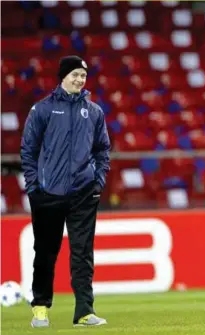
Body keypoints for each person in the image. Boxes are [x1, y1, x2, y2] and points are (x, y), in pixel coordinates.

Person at [21, 55, 111, 327]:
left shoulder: (94, 112)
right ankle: (40, 308)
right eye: (75, 74)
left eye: (83, 76)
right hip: (48, 194)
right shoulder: (43, 110)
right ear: (62, 76)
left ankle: (84, 311)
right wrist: (34, 187)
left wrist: (98, 182)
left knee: (83, 254)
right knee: (46, 253)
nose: (80, 79)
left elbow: (102, 150)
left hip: (84, 193)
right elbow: (28, 150)